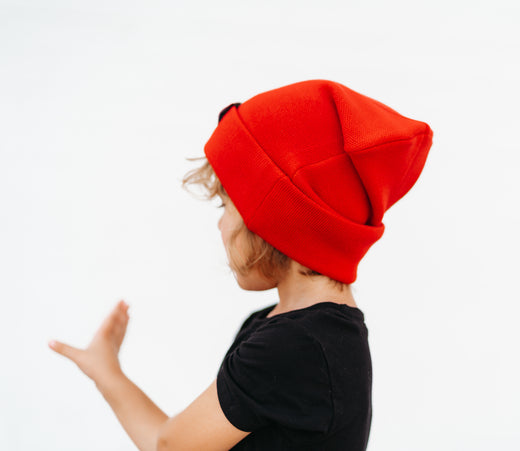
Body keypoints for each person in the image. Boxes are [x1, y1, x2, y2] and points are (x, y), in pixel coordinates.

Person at [48, 79, 433, 451]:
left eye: (226, 205)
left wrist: (107, 373)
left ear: (276, 220)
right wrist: (105, 370)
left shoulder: (293, 346)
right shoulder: (303, 332)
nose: (220, 224)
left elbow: (170, 447)